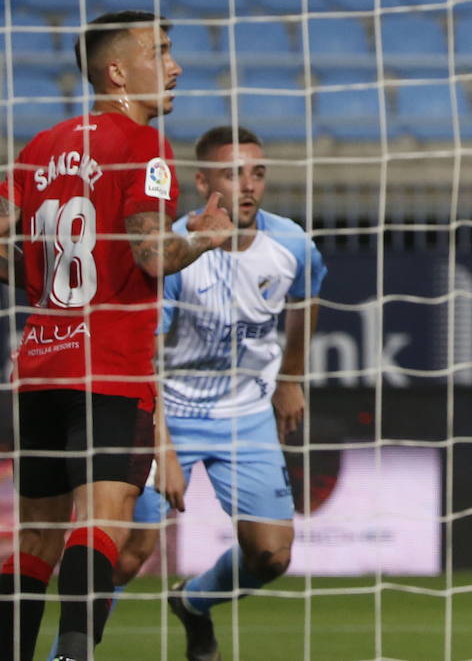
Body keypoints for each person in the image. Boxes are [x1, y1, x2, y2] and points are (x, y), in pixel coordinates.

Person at [0, 10, 232, 661]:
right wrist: (205, 239)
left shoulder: (36, 147)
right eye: (159, 51)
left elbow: (9, 251)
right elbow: (154, 254)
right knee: (102, 519)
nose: (175, 64)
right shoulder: (145, 146)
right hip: (110, 363)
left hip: (39, 364)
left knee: (37, 538)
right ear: (117, 70)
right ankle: (75, 655)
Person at [84, 125, 324, 661]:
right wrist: (163, 447)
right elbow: (143, 354)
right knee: (128, 552)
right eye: (232, 173)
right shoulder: (169, 253)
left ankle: (193, 604)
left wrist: (290, 377)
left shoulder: (290, 244)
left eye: (257, 173)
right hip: (165, 411)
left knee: (270, 557)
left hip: (245, 413)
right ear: (201, 182)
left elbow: (308, 296)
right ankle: (67, 652)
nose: (247, 186)